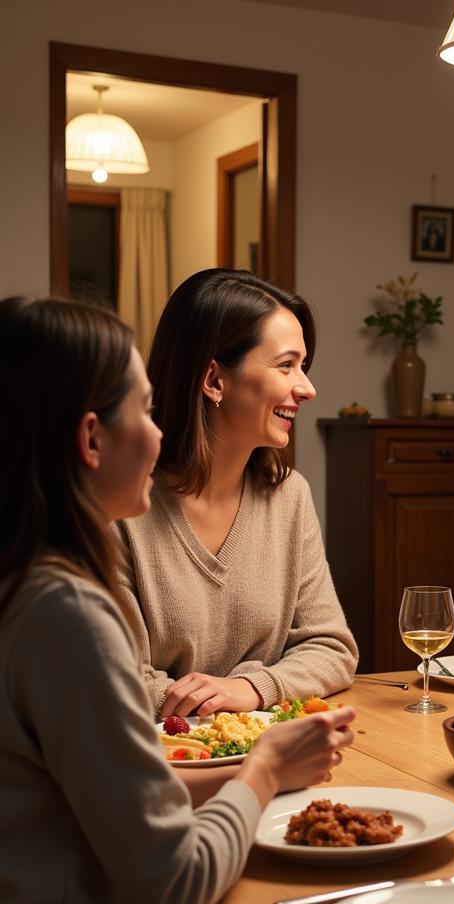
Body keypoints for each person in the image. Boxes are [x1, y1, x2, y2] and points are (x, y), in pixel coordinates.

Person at [0, 296, 355, 904]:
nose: (160, 436)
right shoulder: (68, 610)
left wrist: (251, 721)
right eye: (146, 411)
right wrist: (260, 773)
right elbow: (173, 891)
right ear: (93, 440)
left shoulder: (28, 576)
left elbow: (111, 782)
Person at [116, 269, 358, 720]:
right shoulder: (120, 508)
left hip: (273, 753)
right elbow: (115, 678)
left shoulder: (290, 497)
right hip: (156, 764)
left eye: (302, 366)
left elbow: (332, 647)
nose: (307, 388)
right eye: (286, 365)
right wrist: (219, 711)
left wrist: (251, 687)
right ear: (213, 380)